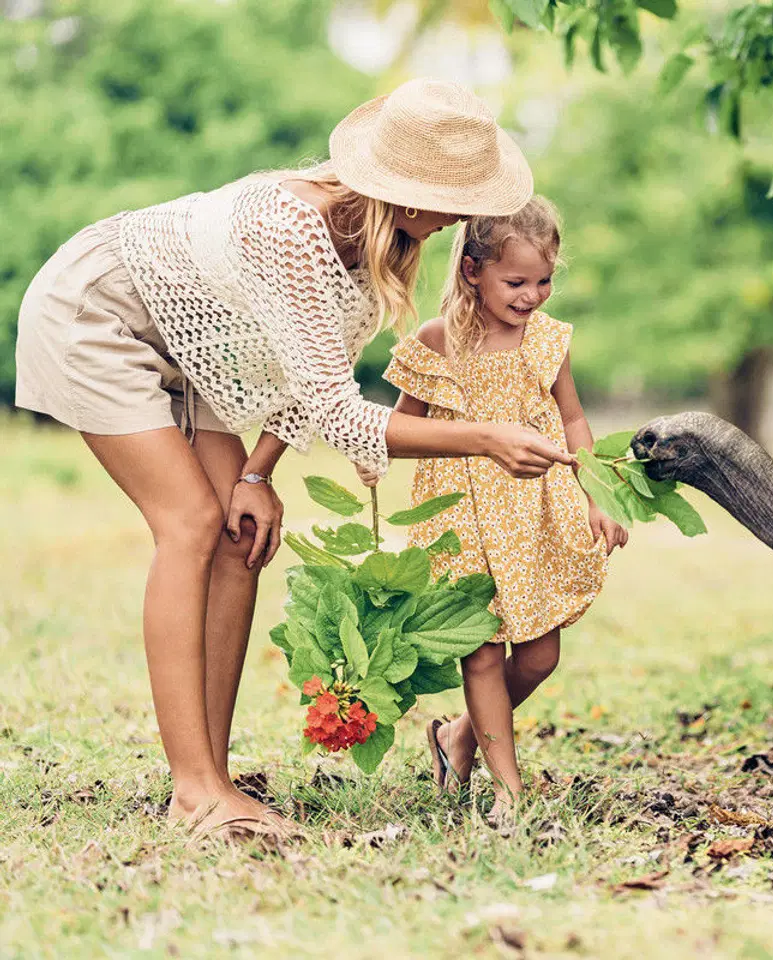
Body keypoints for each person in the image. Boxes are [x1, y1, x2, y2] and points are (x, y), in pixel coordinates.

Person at [12, 78, 575, 841]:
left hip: (194, 347)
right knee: (189, 524)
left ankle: (210, 771)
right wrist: (485, 434)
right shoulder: (292, 226)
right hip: (101, 313)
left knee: (239, 542)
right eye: (454, 202)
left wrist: (257, 473)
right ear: (405, 194)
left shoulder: (379, 249)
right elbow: (342, 416)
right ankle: (196, 793)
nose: (461, 222)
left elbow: (296, 378)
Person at [375, 196, 625, 828]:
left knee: (540, 657)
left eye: (543, 280)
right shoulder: (438, 342)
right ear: (473, 272)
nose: (532, 295)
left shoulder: (547, 340)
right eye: (516, 282)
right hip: (459, 514)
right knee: (481, 652)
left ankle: (459, 735)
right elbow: (400, 429)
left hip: (535, 514)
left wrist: (600, 494)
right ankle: (507, 789)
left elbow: (572, 418)